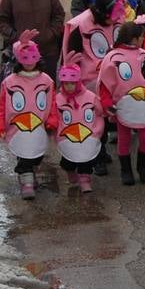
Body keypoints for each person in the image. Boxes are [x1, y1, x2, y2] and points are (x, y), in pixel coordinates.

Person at [0, 30, 56, 199]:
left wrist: (52, 120)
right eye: (24, 58)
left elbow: (53, 103)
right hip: (18, 127)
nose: (29, 63)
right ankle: (26, 179)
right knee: (24, 155)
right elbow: (1, 106)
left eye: (32, 57)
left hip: (39, 127)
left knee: (36, 154)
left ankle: (30, 173)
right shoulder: (10, 82)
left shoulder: (46, 81)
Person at [98, 20, 145, 186]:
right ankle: (126, 169)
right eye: (141, 37)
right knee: (124, 137)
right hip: (123, 105)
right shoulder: (113, 57)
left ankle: (142, 166)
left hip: (143, 104)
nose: (143, 40)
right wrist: (107, 102)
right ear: (134, 38)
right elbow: (105, 82)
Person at [0, 0, 67, 77]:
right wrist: (16, 37)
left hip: (47, 50)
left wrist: (51, 33)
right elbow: (2, 20)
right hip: (22, 51)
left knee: (46, 87)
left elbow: (59, 15)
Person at [54, 62, 104, 193]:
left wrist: (97, 131)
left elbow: (99, 112)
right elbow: (55, 117)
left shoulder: (90, 97)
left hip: (87, 134)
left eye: (72, 83)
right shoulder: (58, 99)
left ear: (78, 82)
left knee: (86, 159)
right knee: (68, 161)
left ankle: (85, 180)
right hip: (67, 136)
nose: (69, 86)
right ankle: (70, 171)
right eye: (65, 83)